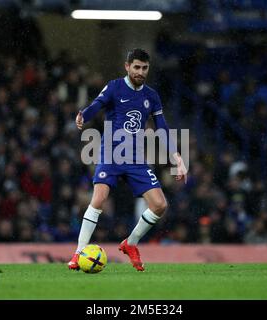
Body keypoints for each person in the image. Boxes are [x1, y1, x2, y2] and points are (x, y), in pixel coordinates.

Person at [68, 48, 187, 271]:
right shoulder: (115, 87)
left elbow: (162, 127)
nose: (141, 72)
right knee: (99, 198)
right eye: (137, 67)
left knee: (160, 205)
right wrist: (84, 114)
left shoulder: (151, 95)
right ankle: (78, 254)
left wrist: (177, 158)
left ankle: (130, 244)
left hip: (135, 158)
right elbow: (97, 104)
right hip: (111, 153)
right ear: (127, 66)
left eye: (144, 68)